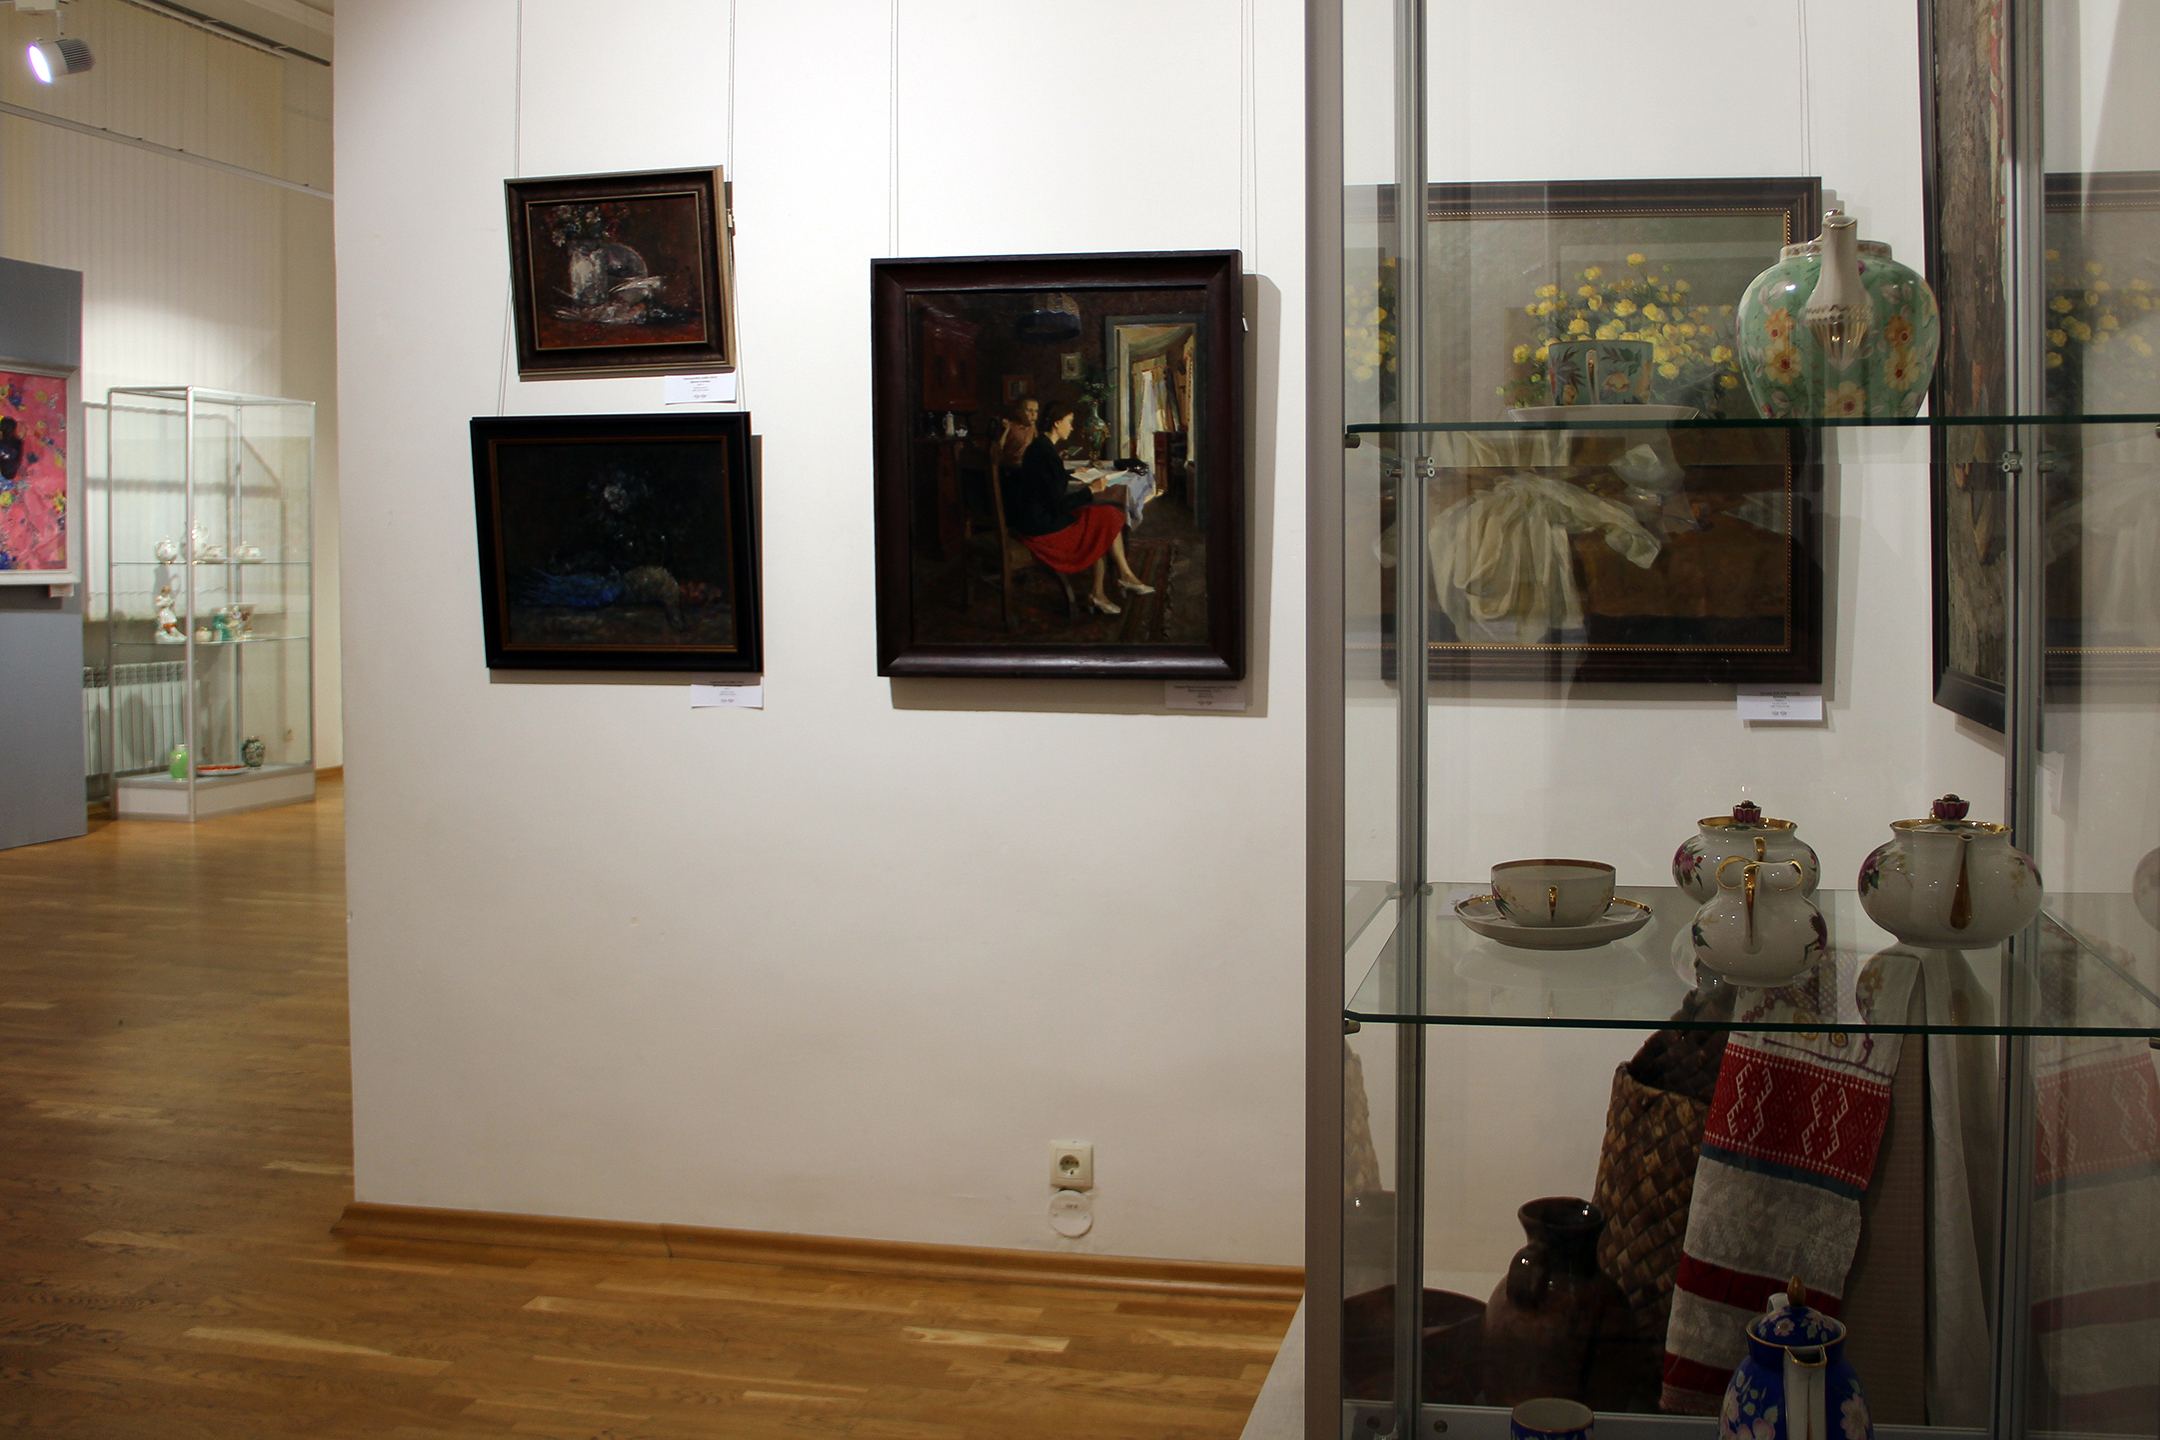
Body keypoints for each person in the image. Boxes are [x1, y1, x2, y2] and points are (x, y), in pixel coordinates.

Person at [1005, 403, 1154, 615]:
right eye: (1069, 422)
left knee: (1106, 515)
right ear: (1057, 423)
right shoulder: (1046, 454)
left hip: (1038, 517)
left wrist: (1069, 473)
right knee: (1105, 517)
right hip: (1043, 527)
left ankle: (1119, 579)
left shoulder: (1039, 447)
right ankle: (1110, 585)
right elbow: (1060, 503)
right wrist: (1091, 490)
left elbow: (1045, 482)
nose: (1072, 427)